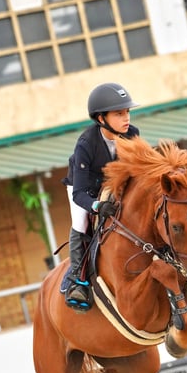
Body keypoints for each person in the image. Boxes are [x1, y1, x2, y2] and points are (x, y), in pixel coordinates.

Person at [61, 82, 140, 311]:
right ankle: (78, 279)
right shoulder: (86, 145)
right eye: (119, 114)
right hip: (84, 190)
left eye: (127, 112)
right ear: (101, 119)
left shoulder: (132, 134)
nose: (126, 118)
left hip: (114, 186)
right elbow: (78, 193)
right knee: (81, 222)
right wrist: (97, 206)